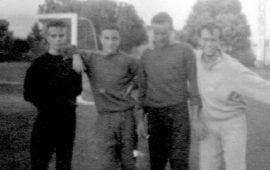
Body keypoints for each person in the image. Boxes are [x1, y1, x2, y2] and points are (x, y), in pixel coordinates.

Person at [195, 22, 270, 170]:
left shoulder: (232, 67)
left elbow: (262, 88)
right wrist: (196, 119)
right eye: (205, 39)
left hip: (232, 124)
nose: (209, 44)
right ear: (199, 40)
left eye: (213, 40)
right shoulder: (194, 59)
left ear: (220, 42)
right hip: (208, 124)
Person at [137, 12, 201, 170]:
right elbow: (142, 91)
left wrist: (196, 118)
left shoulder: (184, 50)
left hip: (178, 114)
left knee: (179, 163)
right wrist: (140, 120)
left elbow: (193, 85)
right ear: (151, 32)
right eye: (156, 33)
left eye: (164, 33)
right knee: (156, 164)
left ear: (171, 31)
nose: (159, 37)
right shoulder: (146, 54)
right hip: (155, 115)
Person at [72, 24, 138, 170]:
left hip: (126, 117)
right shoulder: (92, 57)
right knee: (107, 164)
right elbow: (66, 48)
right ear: (101, 40)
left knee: (129, 162)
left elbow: (145, 75)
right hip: (104, 118)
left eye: (114, 38)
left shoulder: (128, 60)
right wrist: (76, 55)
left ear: (119, 40)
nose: (111, 42)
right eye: (107, 38)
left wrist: (134, 84)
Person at [24, 20, 82, 170]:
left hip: (68, 119)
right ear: (47, 38)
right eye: (54, 35)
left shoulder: (72, 63)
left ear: (66, 36)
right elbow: (29, 93)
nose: (58, 39)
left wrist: (75, 56)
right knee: (40, 160)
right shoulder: (39, 64)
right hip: (46, 119)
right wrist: (48, 105)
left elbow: (78, 89)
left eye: (61, 35)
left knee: (64, 161)